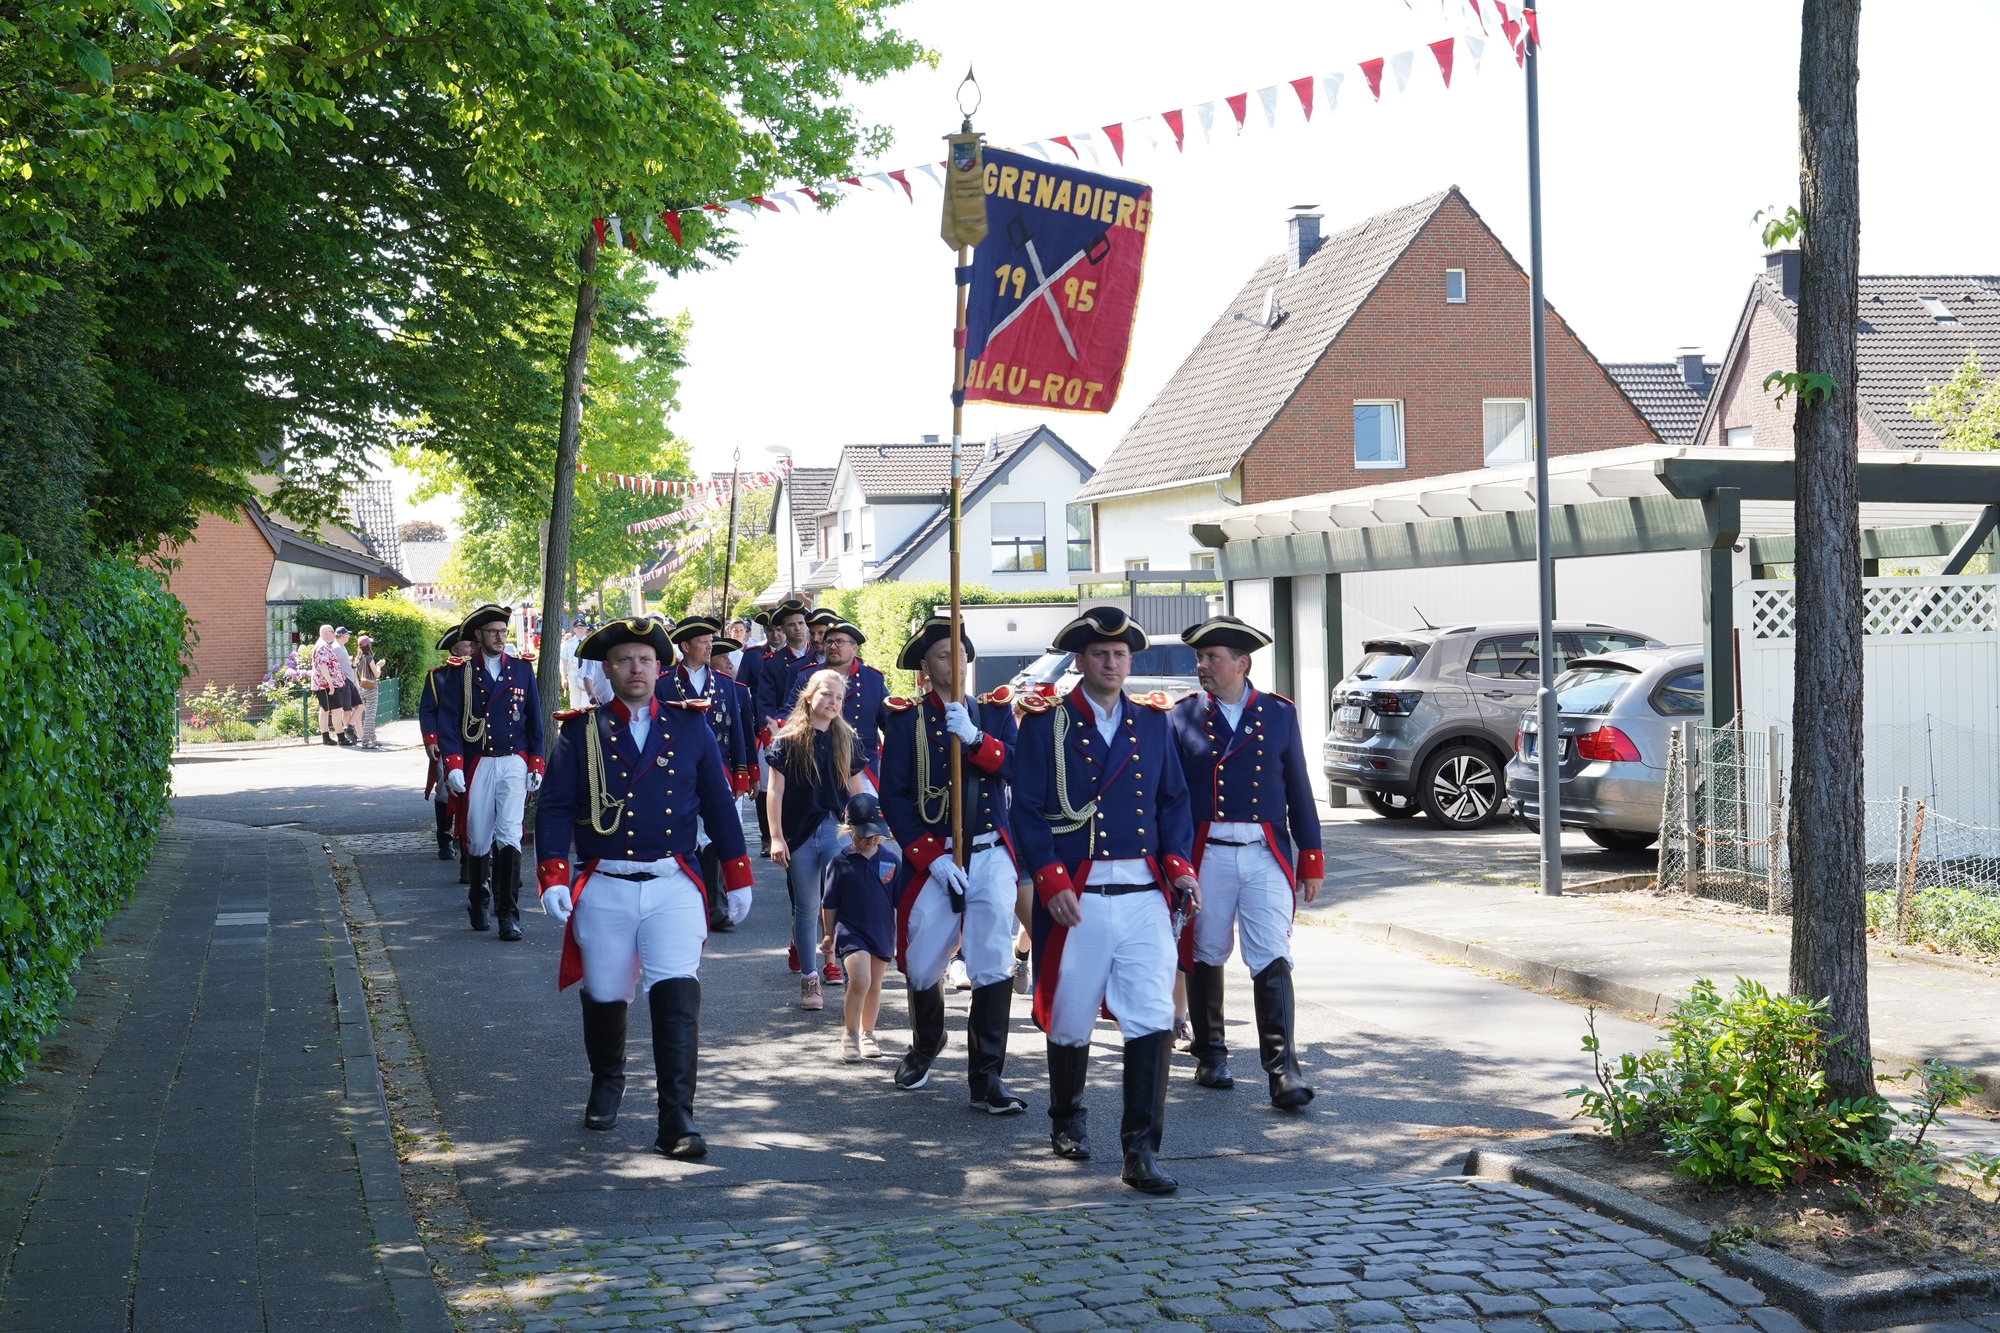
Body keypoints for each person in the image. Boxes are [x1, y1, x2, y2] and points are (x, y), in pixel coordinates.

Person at [534, 617, 752, 1159]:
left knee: (677, 991)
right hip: (605, 883)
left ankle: (677, 1118)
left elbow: (719, 804)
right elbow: (555, 808)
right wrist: (553, 874)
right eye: (625, 660)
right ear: (607, 670)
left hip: (672, 881)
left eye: (645, 660)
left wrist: (737, 873)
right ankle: (607, 1079)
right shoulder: (580, 732)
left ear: (660, 668)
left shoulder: (690, 727)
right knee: (606, 993)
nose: (636, 669)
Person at [1011, 606, 1199, 1195]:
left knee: (1152, 1014)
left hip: (1143, 892)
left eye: (1120, 655)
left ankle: (1140, 1151)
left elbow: (1173, 801)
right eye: (1100, 654)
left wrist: (1179, 867)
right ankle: (1067, 1118)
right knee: (1070, 1015)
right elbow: (1027, 809)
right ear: (1080, 660)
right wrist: (1050, 879)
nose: (1112, 663)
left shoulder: (1153, 723)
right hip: (1079, 893)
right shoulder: (1047, 723)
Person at [1168, 615, 1323, 1109]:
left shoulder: (1278, 713)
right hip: (1207, 854)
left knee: (1273, 953)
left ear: (1242, 663)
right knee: (1206, 951)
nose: (1202, 665)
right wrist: (1172, 863)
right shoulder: (1182, 715)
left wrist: (1311, 856)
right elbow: (1169, 797)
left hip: (1264, 853)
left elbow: (1299, 786)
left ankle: (1284, 1071)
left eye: (1212, 657)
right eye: (1199, 657)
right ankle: (1210, 1054)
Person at [878, 617, 1025, 1109]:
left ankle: (987, 1076)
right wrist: (929, 857)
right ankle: (927, 1041)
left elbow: (1018, 768)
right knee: (922, 963)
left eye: (959, 653)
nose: (954, 662)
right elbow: (895, 797)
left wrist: (977, 740)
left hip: (989, 852)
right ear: (925, 667)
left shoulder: (995, 712)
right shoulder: (905, 720)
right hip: (935, 858)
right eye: (943, 655)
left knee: (992, 961)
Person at [438, 604, 544, 940]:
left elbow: (534, 720)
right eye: (493, 632)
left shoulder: (522, 669)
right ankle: (478, 899)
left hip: (514, 759)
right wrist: (453, 764)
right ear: (479, 636)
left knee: (510, 833)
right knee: (478, 834)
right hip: (479, 760)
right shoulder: (463, 672)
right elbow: (448, 722)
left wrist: (536, 762)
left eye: (503, 631)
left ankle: (508, 914)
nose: (500, 637)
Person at [767, 668, 870, 1010]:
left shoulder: (846, 738)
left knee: (842, 898)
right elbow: (775, 792)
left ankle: (845, 963)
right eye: (827, 694)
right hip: (798, 834)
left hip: (834, 829)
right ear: (809, 697)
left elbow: (856, 790)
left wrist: (865, 828)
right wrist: (777, 837)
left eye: (839, 697)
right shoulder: (786, 739)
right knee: (807, 906)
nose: (833, 701)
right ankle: (809, 978)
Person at [656, 616, 754, 930]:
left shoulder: (725, 684)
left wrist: (742, 774)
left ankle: (716, 907)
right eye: (703, 642)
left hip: (719, 773)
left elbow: (737, 732)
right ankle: (685, 905)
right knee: (681, 836)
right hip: (678, 772)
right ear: (685, 646)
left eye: (711, 641)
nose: (710, 646)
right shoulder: (663, 684)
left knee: (715, 837)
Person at [818, 793, 899, 1061]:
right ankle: (850, 1034)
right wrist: (828, 934)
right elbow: (829, 903)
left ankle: (868, 1034)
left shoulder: (891, 860)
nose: (873, 839)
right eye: (866, 834)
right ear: (850, 829)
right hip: (851, 932)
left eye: (878, 834)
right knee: (860, 980)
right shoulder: (839, 862)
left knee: (874, 985)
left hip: (882, 931)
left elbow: (901, 900)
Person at [782, 619, 889, 786]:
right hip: (816, 764)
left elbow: (889, 723)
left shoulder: (873, 678)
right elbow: (789, 712)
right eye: (829, 642)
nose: (832, 646)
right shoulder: (808, 675)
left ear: (854, 648)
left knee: (864, 803)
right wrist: (778, 727)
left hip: (862, 767)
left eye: (839, 642)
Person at [754, 601, 814, 857]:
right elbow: (766, 705)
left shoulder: (820, 658)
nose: (797, 628)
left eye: (801, 623)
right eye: (791, 625)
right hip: (786, 735)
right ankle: (777, 836)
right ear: (784, 629)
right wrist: (774, 736)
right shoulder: (772, 663)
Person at [419, 622, 473, 867]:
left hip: (477, 743)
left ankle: (475, 843)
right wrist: (431, 739)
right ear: (454, 649)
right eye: (467, 644)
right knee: (444, 790)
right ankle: (445, 839)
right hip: (447, 743)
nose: (473, 648)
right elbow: (428, 711)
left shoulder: (483, 673)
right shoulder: (438, 677)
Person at [311, 625, 351, 746]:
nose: (334, 634)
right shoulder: (323, 646)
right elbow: (322, 665)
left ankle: (329, 737)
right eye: (332, 632)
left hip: (324, 684)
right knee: (334, 710)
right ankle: (339, 738)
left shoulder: (324, 645)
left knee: (327, 710)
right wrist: (330, 683)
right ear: (325, 633)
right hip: (325, 685)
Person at [332, 628, 364, 743]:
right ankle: (349, 733)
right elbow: (332, 663)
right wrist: (342, 675)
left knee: (360, 706)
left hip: (349, 681)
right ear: (342, 635)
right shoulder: (336, 647)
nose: (348, 636)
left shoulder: (342, 647)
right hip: (344, 682)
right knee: (347, 709)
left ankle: (349, 728)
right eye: (347, 634)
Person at [354, 634, 383, 748]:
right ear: (367, 646)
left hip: (363, 688)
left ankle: (374, 740)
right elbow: (376, 674)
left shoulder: (358, 659)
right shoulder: (369, 658)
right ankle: (365, 741)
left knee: (369, 714)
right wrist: (379, 666)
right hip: (371, 688)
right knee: (370, 716)